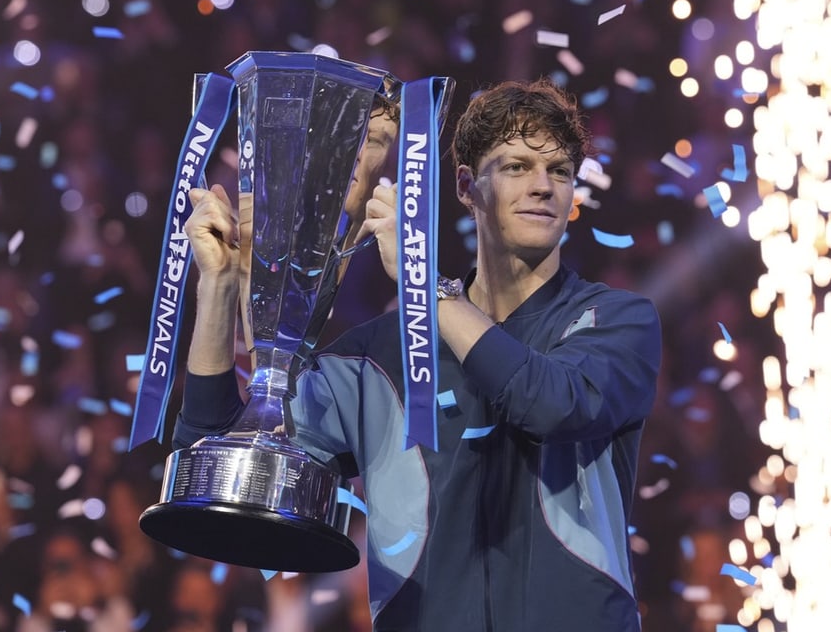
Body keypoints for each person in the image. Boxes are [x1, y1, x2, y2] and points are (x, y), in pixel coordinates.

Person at [172, 78, 662, 631]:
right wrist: (216, 289)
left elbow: (549, 404)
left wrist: (425, 288)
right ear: (464, 186)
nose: (543, 186)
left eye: (560, 171)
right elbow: (213, 462)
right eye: (517, 166)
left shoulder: (616, 321)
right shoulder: (379, 355)